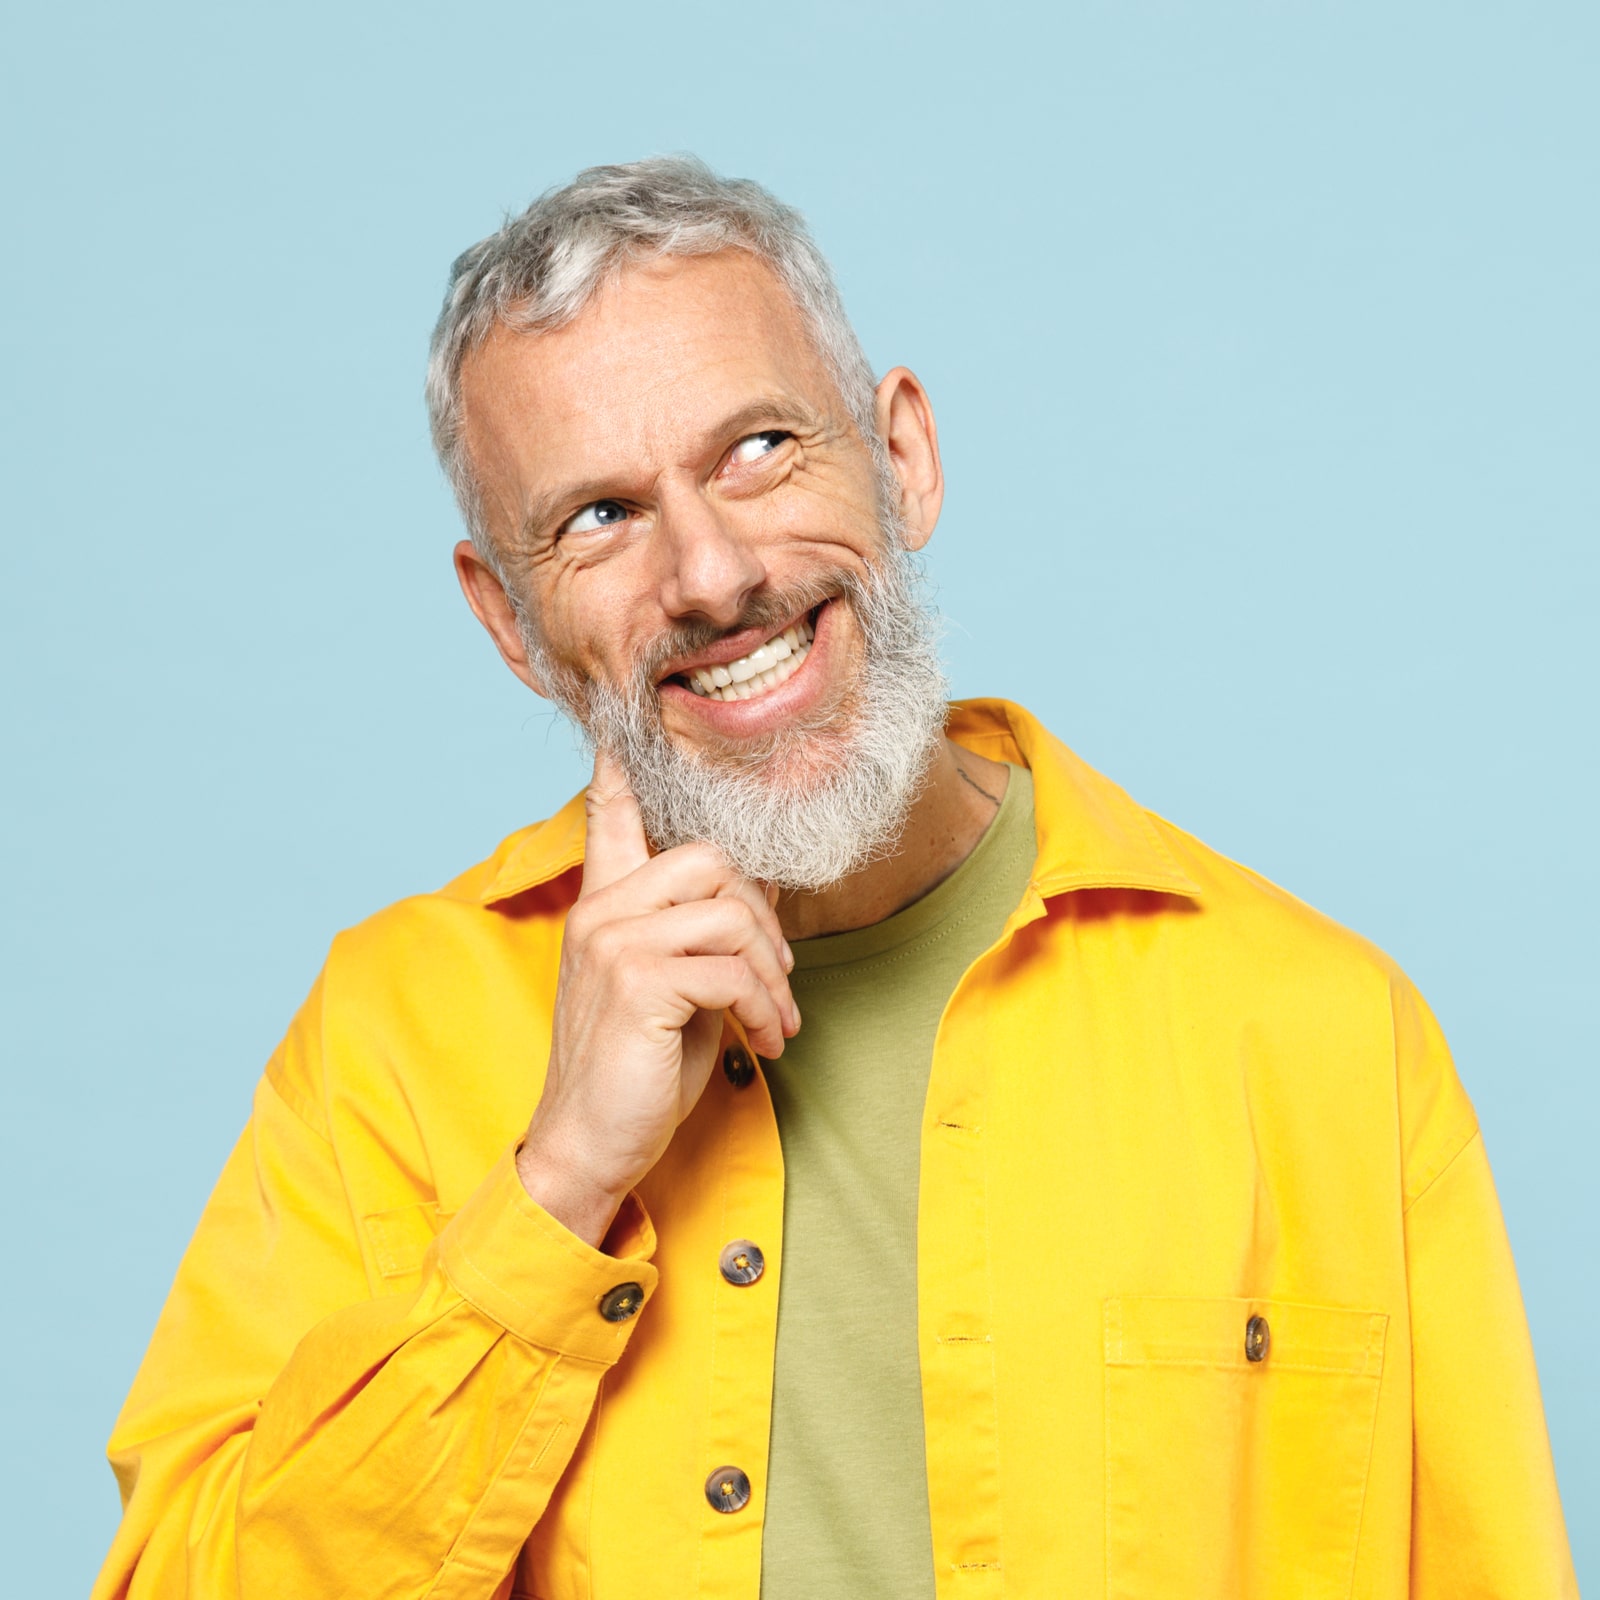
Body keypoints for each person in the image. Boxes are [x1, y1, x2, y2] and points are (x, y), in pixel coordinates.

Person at [93, 156, 1576, 1600]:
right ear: (508, 620)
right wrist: (557, 1192)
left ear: (903, 459)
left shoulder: (1319, 1036)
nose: (714, 573)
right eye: (598, 517)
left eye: (757, 450)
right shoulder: (388, 1039)